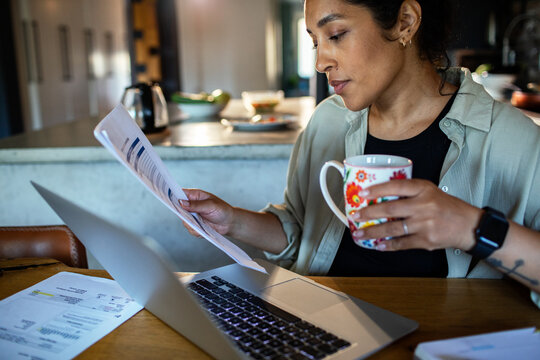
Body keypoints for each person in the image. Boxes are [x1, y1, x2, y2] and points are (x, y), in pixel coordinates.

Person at [180, 0, 540, 302]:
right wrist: (233, 222)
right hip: (319, 326)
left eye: (335, 35)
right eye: (314, 42)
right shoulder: (329, 121)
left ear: (405, 22)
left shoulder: (514, 141)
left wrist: (471, 228)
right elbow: (300, 230)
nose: (321, 62)